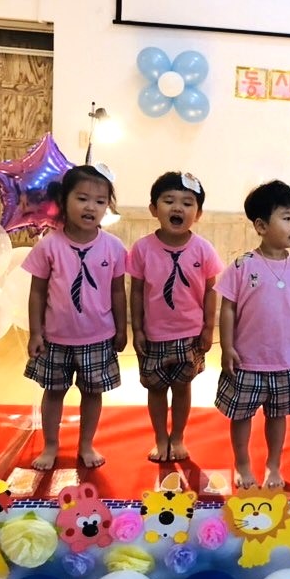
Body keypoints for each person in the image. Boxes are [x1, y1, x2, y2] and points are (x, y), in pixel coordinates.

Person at [215, 180, 290, 489]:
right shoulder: (242, 266)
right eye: (286, 218)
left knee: (278, 416)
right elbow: (228, 308)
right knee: (241, 415)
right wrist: (226, 347)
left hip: (287, 360)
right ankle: (242, 463)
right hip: (247, 361)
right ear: (261, 226)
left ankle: (273, 465)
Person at [23, 164, 127, 470]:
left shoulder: (113, 247)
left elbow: (118, 292)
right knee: (54, 392)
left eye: (100, 201)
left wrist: (122, 329)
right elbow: (37, 292)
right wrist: (35, 332)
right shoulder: (49, 245)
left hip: (98, 337)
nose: (91, 207)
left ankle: (86, 444)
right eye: (82, 198)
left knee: (93, 394)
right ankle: (51, 445)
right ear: (64, 200)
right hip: (55, 338)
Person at [127, 172, 223, 463]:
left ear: (198, 213)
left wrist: (208, 329)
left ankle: (178, 437)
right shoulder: (142, 248)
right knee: (156, 389)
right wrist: (137, 330)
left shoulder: (203, 249)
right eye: (169, 201)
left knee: (182, 388)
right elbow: (136, 291)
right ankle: (160, 438)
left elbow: (210, 291)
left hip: (190, 334)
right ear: (153, 209)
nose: (178, 207)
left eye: (187, 203)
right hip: (153, 335)